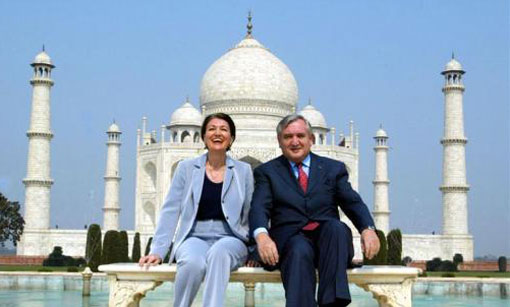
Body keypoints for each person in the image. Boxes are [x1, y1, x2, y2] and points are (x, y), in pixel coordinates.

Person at [249, 114, 380, 307]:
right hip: (290, 243)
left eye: (300, 136)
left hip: (330, 243)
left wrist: (367, 228)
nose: (295, 142)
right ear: (279, 141)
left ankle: (332, 303)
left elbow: (352, 202)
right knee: (299, 249)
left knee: (335, 228)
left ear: (311, 139)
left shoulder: (332, 168)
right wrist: (261, 236)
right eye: (288, 137)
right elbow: (259, 207)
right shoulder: (268, 172)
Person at [139, 113, 253, 307]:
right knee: (192, 262)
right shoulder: (187, 168)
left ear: (231, 138)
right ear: (203, 136)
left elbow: (251, 212)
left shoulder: (244, 170)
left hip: (231, 238)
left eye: (224, 129)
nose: (217, 133)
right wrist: (158, 250)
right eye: (211, 129)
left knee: (219, 253)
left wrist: (255, 251)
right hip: (195, 236)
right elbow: (171, 210)